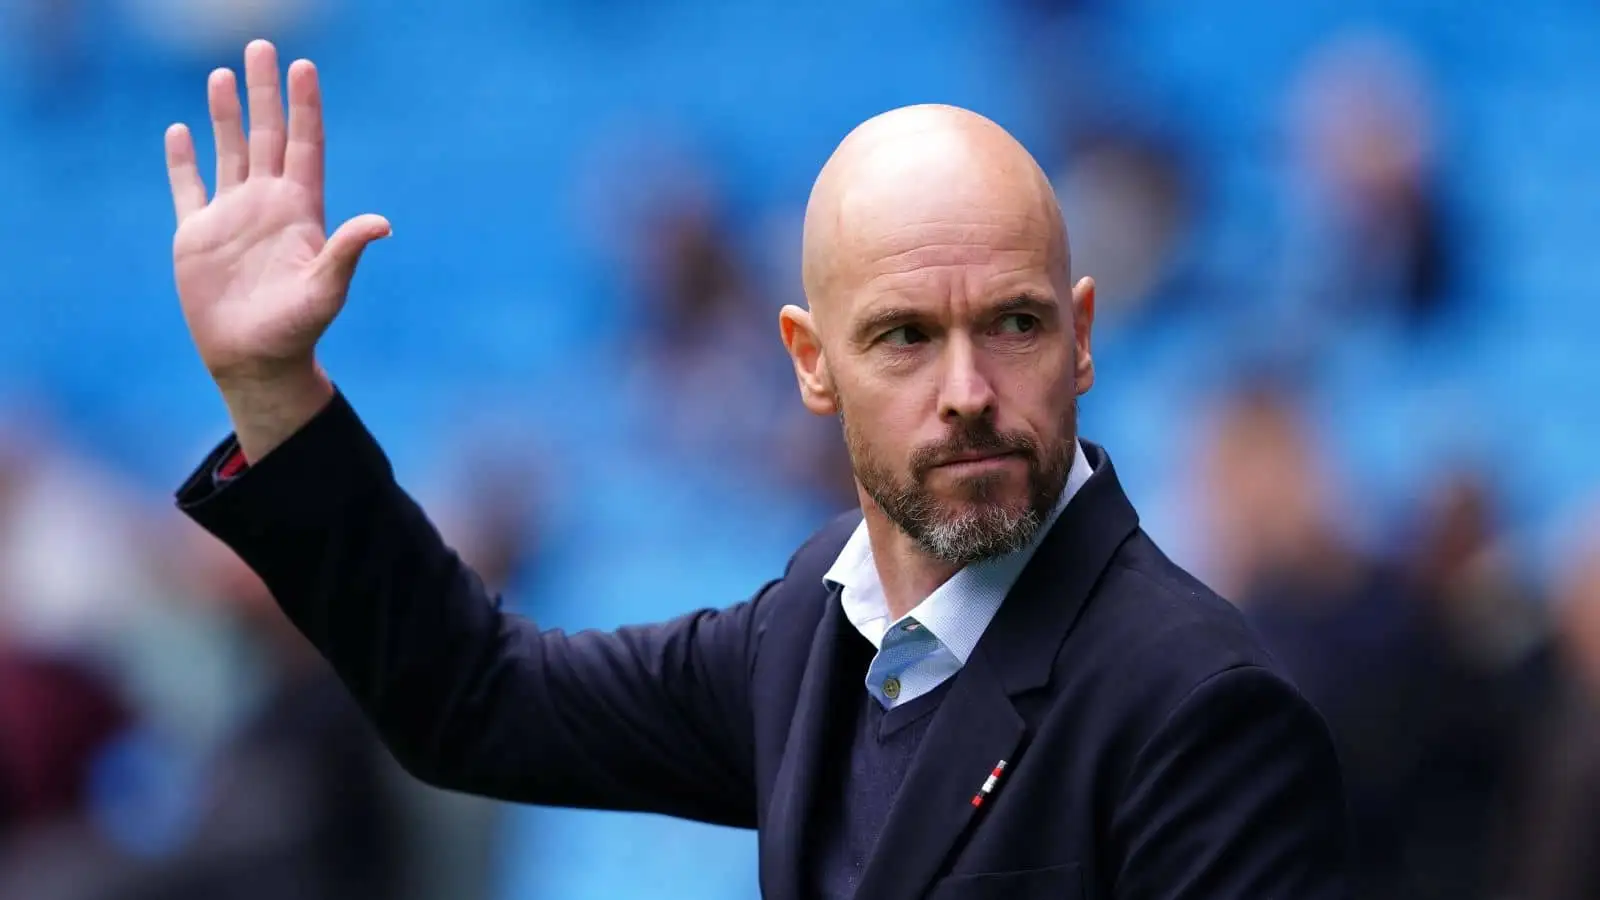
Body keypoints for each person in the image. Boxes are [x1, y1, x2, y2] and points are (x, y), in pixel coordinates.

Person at [162, 40, 1351, 899]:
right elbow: (477, 698)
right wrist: (277, 397)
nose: (968, 390)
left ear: (1083, 336)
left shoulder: (1203, 711)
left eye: (1016, 324)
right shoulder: (811, 633)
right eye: (903, 337)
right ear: (808, 363)